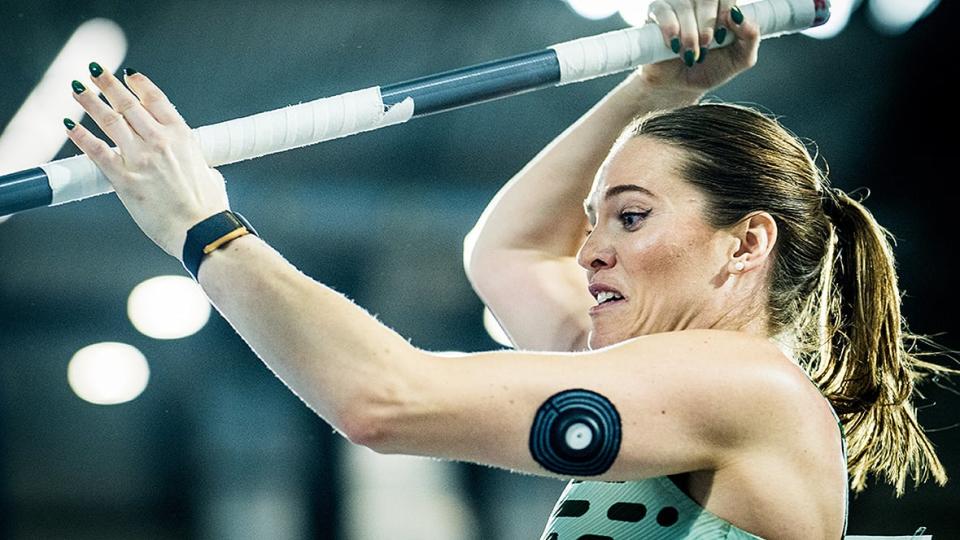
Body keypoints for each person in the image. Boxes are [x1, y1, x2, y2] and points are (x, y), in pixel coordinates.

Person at [63, 2, 955, 538]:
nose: (591, 247)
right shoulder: (670, 379)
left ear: (746, 245)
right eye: (596, 219)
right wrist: (656, 88)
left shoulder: (739, 385)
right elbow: (511, 255)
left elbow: (385, 401)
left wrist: (200, 224)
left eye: (633, 218)